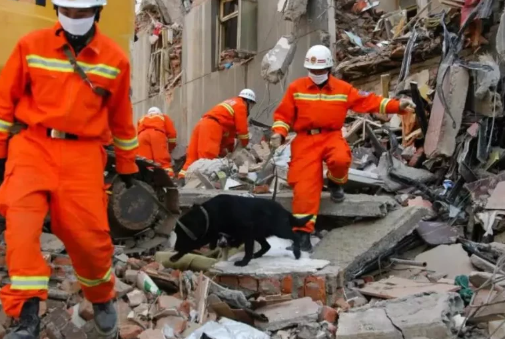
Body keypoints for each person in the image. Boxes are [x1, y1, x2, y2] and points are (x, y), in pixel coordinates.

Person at [0, 0, 139, 338]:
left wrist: (129, 163)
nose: (73, 18)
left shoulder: (114, 59)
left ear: (97, 12)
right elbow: (3, 101)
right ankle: (27, 316)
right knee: (20, 227)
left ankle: (101, 296)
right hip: (32, 146)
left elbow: (121, 117)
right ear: (57, 10)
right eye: (67, 11)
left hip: (83, 154)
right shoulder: (31, 46)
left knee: (90, 241)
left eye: (82, 12)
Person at [270, 45, 415, 252]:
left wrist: (396, 106)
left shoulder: (342, 89)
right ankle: (302, 235)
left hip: (331, 136)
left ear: (328, 68)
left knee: (341, 160)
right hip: (305, 141)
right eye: (313, 71)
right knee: (304, 189)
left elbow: (367, 101)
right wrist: (278, 133)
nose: (316, 75)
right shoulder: (297, 88)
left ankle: (335, 183)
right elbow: (283, 115)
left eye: (320, 71)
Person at [177, 89, 256, 181]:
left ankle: (182, 178)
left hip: (201, 123)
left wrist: (228, 149)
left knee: (193, 157)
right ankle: (202, 183)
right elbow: (242, 131)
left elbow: (228, 136)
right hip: (212, 126)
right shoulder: (241, 105)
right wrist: (244, 144)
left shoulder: (230, 103)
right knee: (207, 158)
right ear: (248, 102)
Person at [137, 107, 177, 177]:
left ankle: (148, 178)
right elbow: (172, 134)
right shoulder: (163, 117)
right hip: (157, 134)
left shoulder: (142, 118)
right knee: (161, 160)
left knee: (146, 161)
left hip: (142, 136)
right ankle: (168, 176)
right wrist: (171, 147)